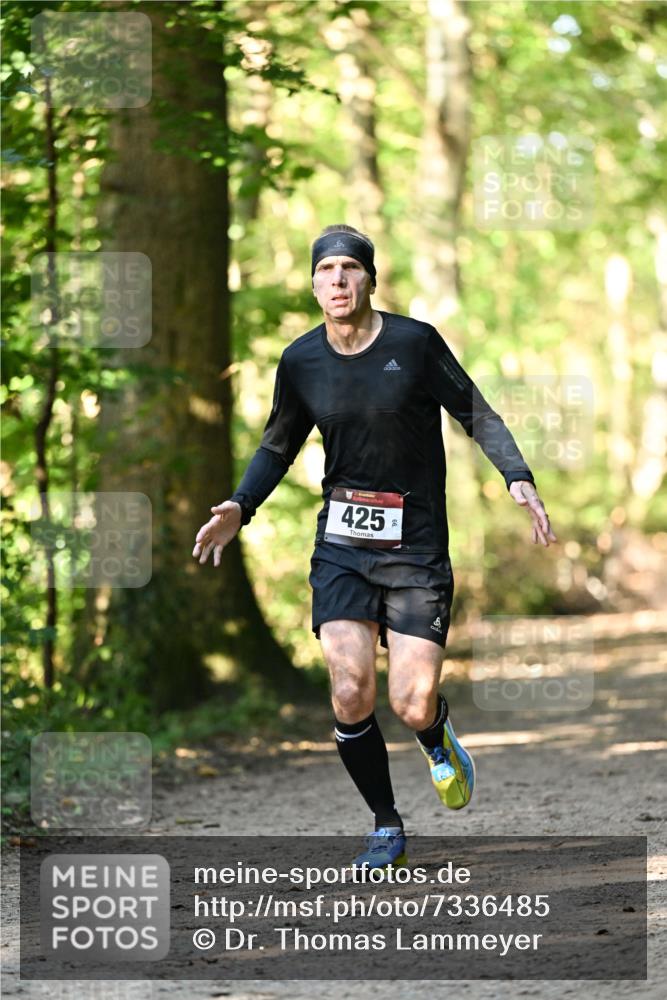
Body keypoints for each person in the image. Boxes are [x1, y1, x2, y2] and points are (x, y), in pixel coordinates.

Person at [193, 224, 557, 868]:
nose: (337, 280)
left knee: (409, 701)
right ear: (312, 283)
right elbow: (278, 445)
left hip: (415, 548)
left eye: (348, 269)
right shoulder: (301, 361)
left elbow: (476, 411)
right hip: (342, 546)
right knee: (350, 690)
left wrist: (518, 475)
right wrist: (239, 507)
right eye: (325, 269)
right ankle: (386, 823)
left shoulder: (414, 344)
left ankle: (436, 733)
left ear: (369, 278)